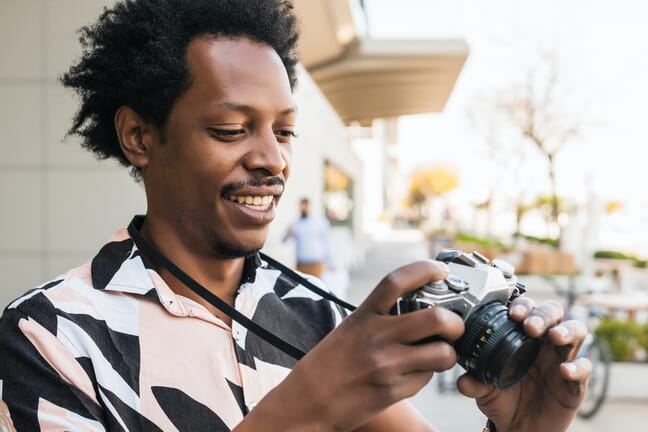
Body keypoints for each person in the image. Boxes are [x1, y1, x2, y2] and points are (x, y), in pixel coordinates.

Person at [0, 0, 591, 431]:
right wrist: (308, 408)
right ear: (138, 136)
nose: (272, 159)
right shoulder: (48, 336)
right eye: (231, 130)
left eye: (284, 131)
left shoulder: (320, 317)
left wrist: (523, 430)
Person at [282, 197, 332, 278]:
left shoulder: (320, 222)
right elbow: (283, 241)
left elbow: (326, 242)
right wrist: (287, 234)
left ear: (309, 206)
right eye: (301, 206)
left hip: (316, 264)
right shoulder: (295, 224)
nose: (303, 208)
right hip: (301, 264)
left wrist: (330, 262)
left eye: (305, 206)